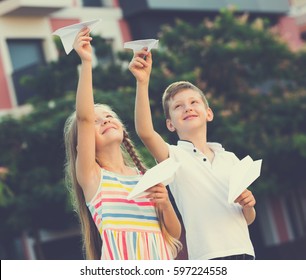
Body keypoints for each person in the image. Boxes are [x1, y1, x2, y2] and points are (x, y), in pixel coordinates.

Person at [63, 28, 182, 260]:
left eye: (109, 115)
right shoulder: (93, 178)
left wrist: (165, 204)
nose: (105, 119)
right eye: (96, 122)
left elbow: (174, 233)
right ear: (84, 144)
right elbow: (84, 118)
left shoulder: (144, 176)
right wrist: (86, 61)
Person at [129, 48, 256, 260]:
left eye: (194, 102)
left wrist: (248, 205)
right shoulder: (174, 156)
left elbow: (247, 218)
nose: (187, 108)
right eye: (178, 106)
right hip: (208, 258)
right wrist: (142, 82)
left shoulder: (230, 158)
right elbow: (145, 132)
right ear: (170, 124)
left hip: (246, 254)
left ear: (209, 113)